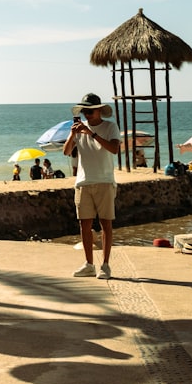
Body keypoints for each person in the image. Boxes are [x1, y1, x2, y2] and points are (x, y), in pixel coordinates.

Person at [63, 93, 121, 280]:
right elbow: (66, 151)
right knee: (84, 224)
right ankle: (89, 264)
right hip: (83, 182)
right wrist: (73, 133)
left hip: (104, 180)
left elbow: (114, 149)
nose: (87, 114)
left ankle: (105, 265)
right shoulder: (79, 129)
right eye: (84, 110)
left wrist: (92, 134)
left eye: (90, 110)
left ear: (99, 110)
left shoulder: (109, 126)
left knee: (106, 224)